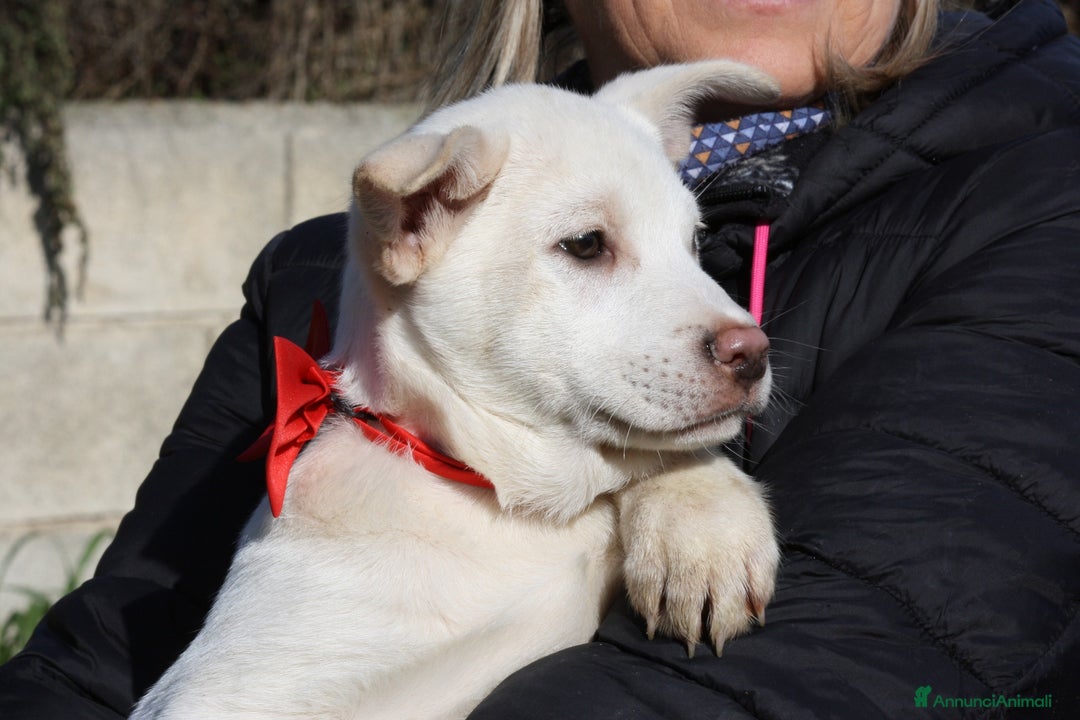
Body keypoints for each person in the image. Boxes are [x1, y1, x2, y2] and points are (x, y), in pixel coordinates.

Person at [2, 0, 1078, 716]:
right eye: (587, 248)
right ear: (411, 229)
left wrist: (681, 480)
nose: (730, 329)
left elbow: (837, 667)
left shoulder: (1037, 202)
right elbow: (104, 660)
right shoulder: (313, 284)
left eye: (684, 242)